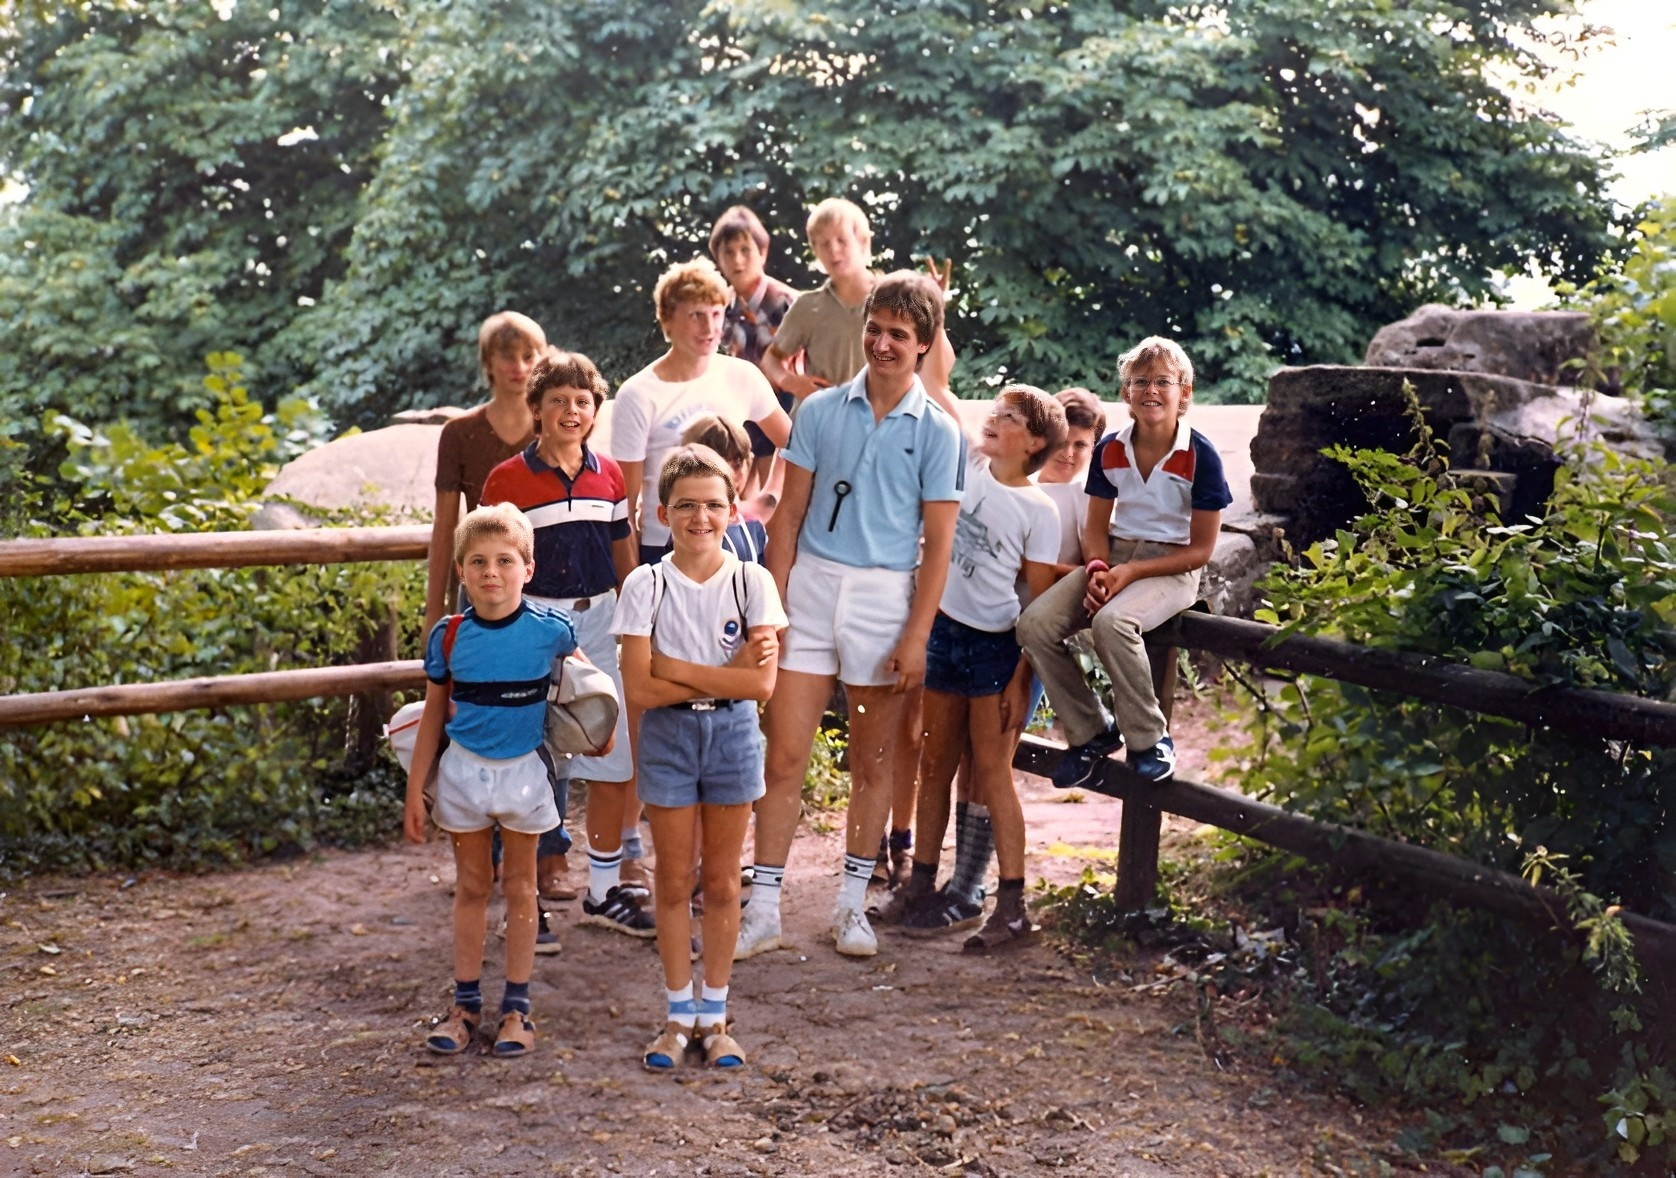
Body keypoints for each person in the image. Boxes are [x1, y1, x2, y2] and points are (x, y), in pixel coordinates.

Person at [736, 270, 965, 961]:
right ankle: (763, 909)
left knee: (873, 761)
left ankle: (850, 906)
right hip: (810, 588)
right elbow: (786, 518)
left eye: (899, 333)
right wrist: (772, 611)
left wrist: (917, 635)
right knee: (784, 754)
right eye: (875, 329)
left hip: (884, 597)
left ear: (924, 343)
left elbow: (939, 546)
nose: (883, 343)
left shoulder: (939, 431)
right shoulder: (819, 410)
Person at [613, 446, 785, 1070]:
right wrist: (723, 673)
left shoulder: (751, 581)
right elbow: (639, 691)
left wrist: (674, 668)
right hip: (668, 738)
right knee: (673, 879)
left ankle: (715, 1014)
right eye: (686, 505)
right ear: (662, 513)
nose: (701, 518)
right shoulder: (646, 584)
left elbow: (761, 686)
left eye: (714, 505)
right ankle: (677, 1015)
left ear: (733, 509)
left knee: (721, 881)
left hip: (732, 736)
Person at [878, 386, 1066, 946]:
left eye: (1010, 418)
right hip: (944, 632)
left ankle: (1012, 905)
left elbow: (1040, 606)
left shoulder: (1040, 510)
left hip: (994, 647)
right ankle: (922, 885)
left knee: (992, 773)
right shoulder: (968, 470)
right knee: (935, 763)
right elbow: (936, 384)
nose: (994, 419)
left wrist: (1022, 677)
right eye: (996, 411)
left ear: (1034, 443)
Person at [480, 351, 651, 938]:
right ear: (536, 409)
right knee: (533, 757)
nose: (571, 411)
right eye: (558, 400)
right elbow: (493, 562)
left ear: (596, 410)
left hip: (600, 620)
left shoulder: (610, 476)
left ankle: (602, 891)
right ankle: (525, 901)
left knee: (611, 753)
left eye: (583, 401)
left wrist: (638, 620)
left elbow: (624, 554)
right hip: (533, 623)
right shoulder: (506, 480)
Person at [403, 502, 581, 1058]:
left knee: (522, 886)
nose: (491, 572)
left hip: (525, 772)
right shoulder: (449, 636)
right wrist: (415, 788)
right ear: (461, 571)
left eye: (505, 560)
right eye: (478, 561)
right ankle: (465, 1007)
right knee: (473, 886)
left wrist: (602, 732)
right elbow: (433, 714)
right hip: (463, 773)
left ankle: (517, 1009)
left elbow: (589, 691)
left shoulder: (551, 632)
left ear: (528, 568)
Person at [1017, 338, 1232, 788]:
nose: (1150, 390)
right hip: (1115, 555)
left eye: (1163, 382)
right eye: (1140, 382)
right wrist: (1098, 569)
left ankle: (1150, 739)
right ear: (1125, 392)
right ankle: (1091, 730)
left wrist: (1130, 573)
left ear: (1184, 392)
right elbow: (1096, 528)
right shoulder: (1111, 448)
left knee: (1112, 622)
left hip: (1173, 565)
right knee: (1035, 625)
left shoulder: (1200, 455)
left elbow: (1201, 550)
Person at [610, 258, 792, 568]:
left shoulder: (742, 375)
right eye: (696, 315)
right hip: (664, 547)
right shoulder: (638, 394)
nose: (709, 328)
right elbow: (624, 509)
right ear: (667, 320)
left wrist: (768, 498)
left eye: (716, 314)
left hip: (732, 542)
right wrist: (630, 583)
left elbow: (796, 444)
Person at [424, 311, 545, 630]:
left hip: (547, 590)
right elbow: (445, 527)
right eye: (507, 357)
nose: (519, 367)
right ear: (488, 362)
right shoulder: (459, 433)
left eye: (528, 356)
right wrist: (434, 611)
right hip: (481, 586)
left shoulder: (554, 429)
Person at [709, 206, 802, 497]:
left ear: (762, 252)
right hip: (742, 413)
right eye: (728, 252)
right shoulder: (719, 308)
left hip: (788, 410)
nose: (737, 260)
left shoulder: (791, 303)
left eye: (745, 250)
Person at [674, 413, 771, 564]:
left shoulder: (754, 528)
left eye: (737, 462)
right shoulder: (691, 529)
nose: (729, 474)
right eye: (718, 465)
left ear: (748, 462)